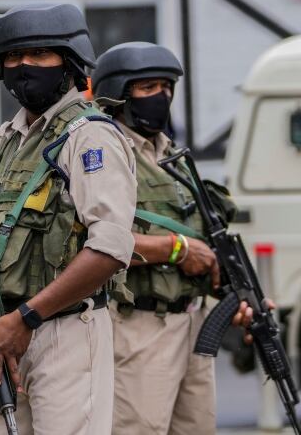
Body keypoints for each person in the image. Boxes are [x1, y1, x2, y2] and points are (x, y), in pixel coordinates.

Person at [0, 4, 136, 435]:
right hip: (4, 335)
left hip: (62, 330)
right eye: (12, 57)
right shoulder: (10, 140)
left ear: (68, 61)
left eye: (40, 54)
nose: (23, 66)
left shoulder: (90, 137)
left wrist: (27, 317)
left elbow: (110, 249)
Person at [92, 42, 262, 434]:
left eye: (166, 87)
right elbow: (94, 240)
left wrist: (239, 294)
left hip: (193, 322)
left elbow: (207, 237)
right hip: (141, 325)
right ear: (118, 93)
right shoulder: (105, 152)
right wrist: (176, 250)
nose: (161, 97)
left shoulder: (171, 155)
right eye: (148, 87)